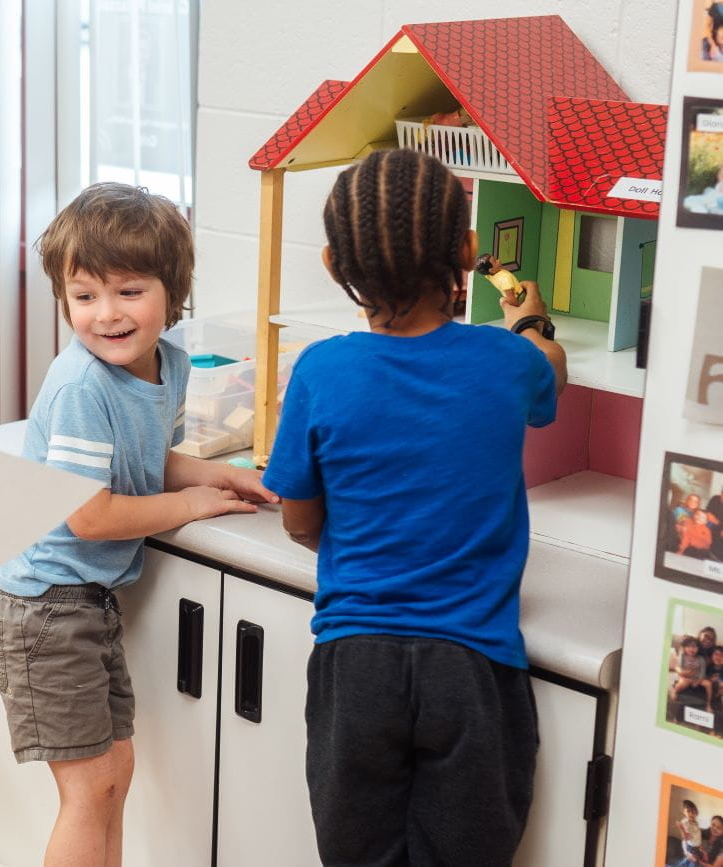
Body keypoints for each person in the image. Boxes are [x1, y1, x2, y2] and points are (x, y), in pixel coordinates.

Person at [265, 149, 568, 866]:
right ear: (465, 251)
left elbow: (300, 521)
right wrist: (529, 321)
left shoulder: (320, 370)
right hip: (474, 668)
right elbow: (550, 368)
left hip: (356, 662)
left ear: (335, 262)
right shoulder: (507, 361)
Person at [0, 182, 277, 867]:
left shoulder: (167, 367)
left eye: (129, 291)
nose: (106, 315)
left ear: (173, 291)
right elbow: (89, 514)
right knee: (89, 791)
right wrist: (190, 506)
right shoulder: (84, 385)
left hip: (82, 605)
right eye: (84, 296)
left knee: (113, 774)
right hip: (42, 610)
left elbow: (145, 462)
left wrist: (215, 475)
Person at [674, 635, 713, 707]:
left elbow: (702, 672)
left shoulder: (701, 658)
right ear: (684, 648)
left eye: (694, 647)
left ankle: (708, 704)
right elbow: (679, 668)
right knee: (680, 684)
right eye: (688, 646)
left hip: (698, 678)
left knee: (708, 684)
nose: (691, 649)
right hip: (686, 677)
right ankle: (675, 693)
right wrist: (684, 674)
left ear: (698, 648)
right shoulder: (682, 656)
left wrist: (698, 680)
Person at [680, 800, 706, 867]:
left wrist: (700, 846)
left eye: (693, 811)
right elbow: (685, 838)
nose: (691, 814)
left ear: (696, 812)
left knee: (689, 862)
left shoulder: (695, 822)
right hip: (691, 848)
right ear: (684, 812)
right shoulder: (685, 823)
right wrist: (686, 852)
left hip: (697, 847)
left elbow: (696, 836)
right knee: (695, 863)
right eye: (688, 811)